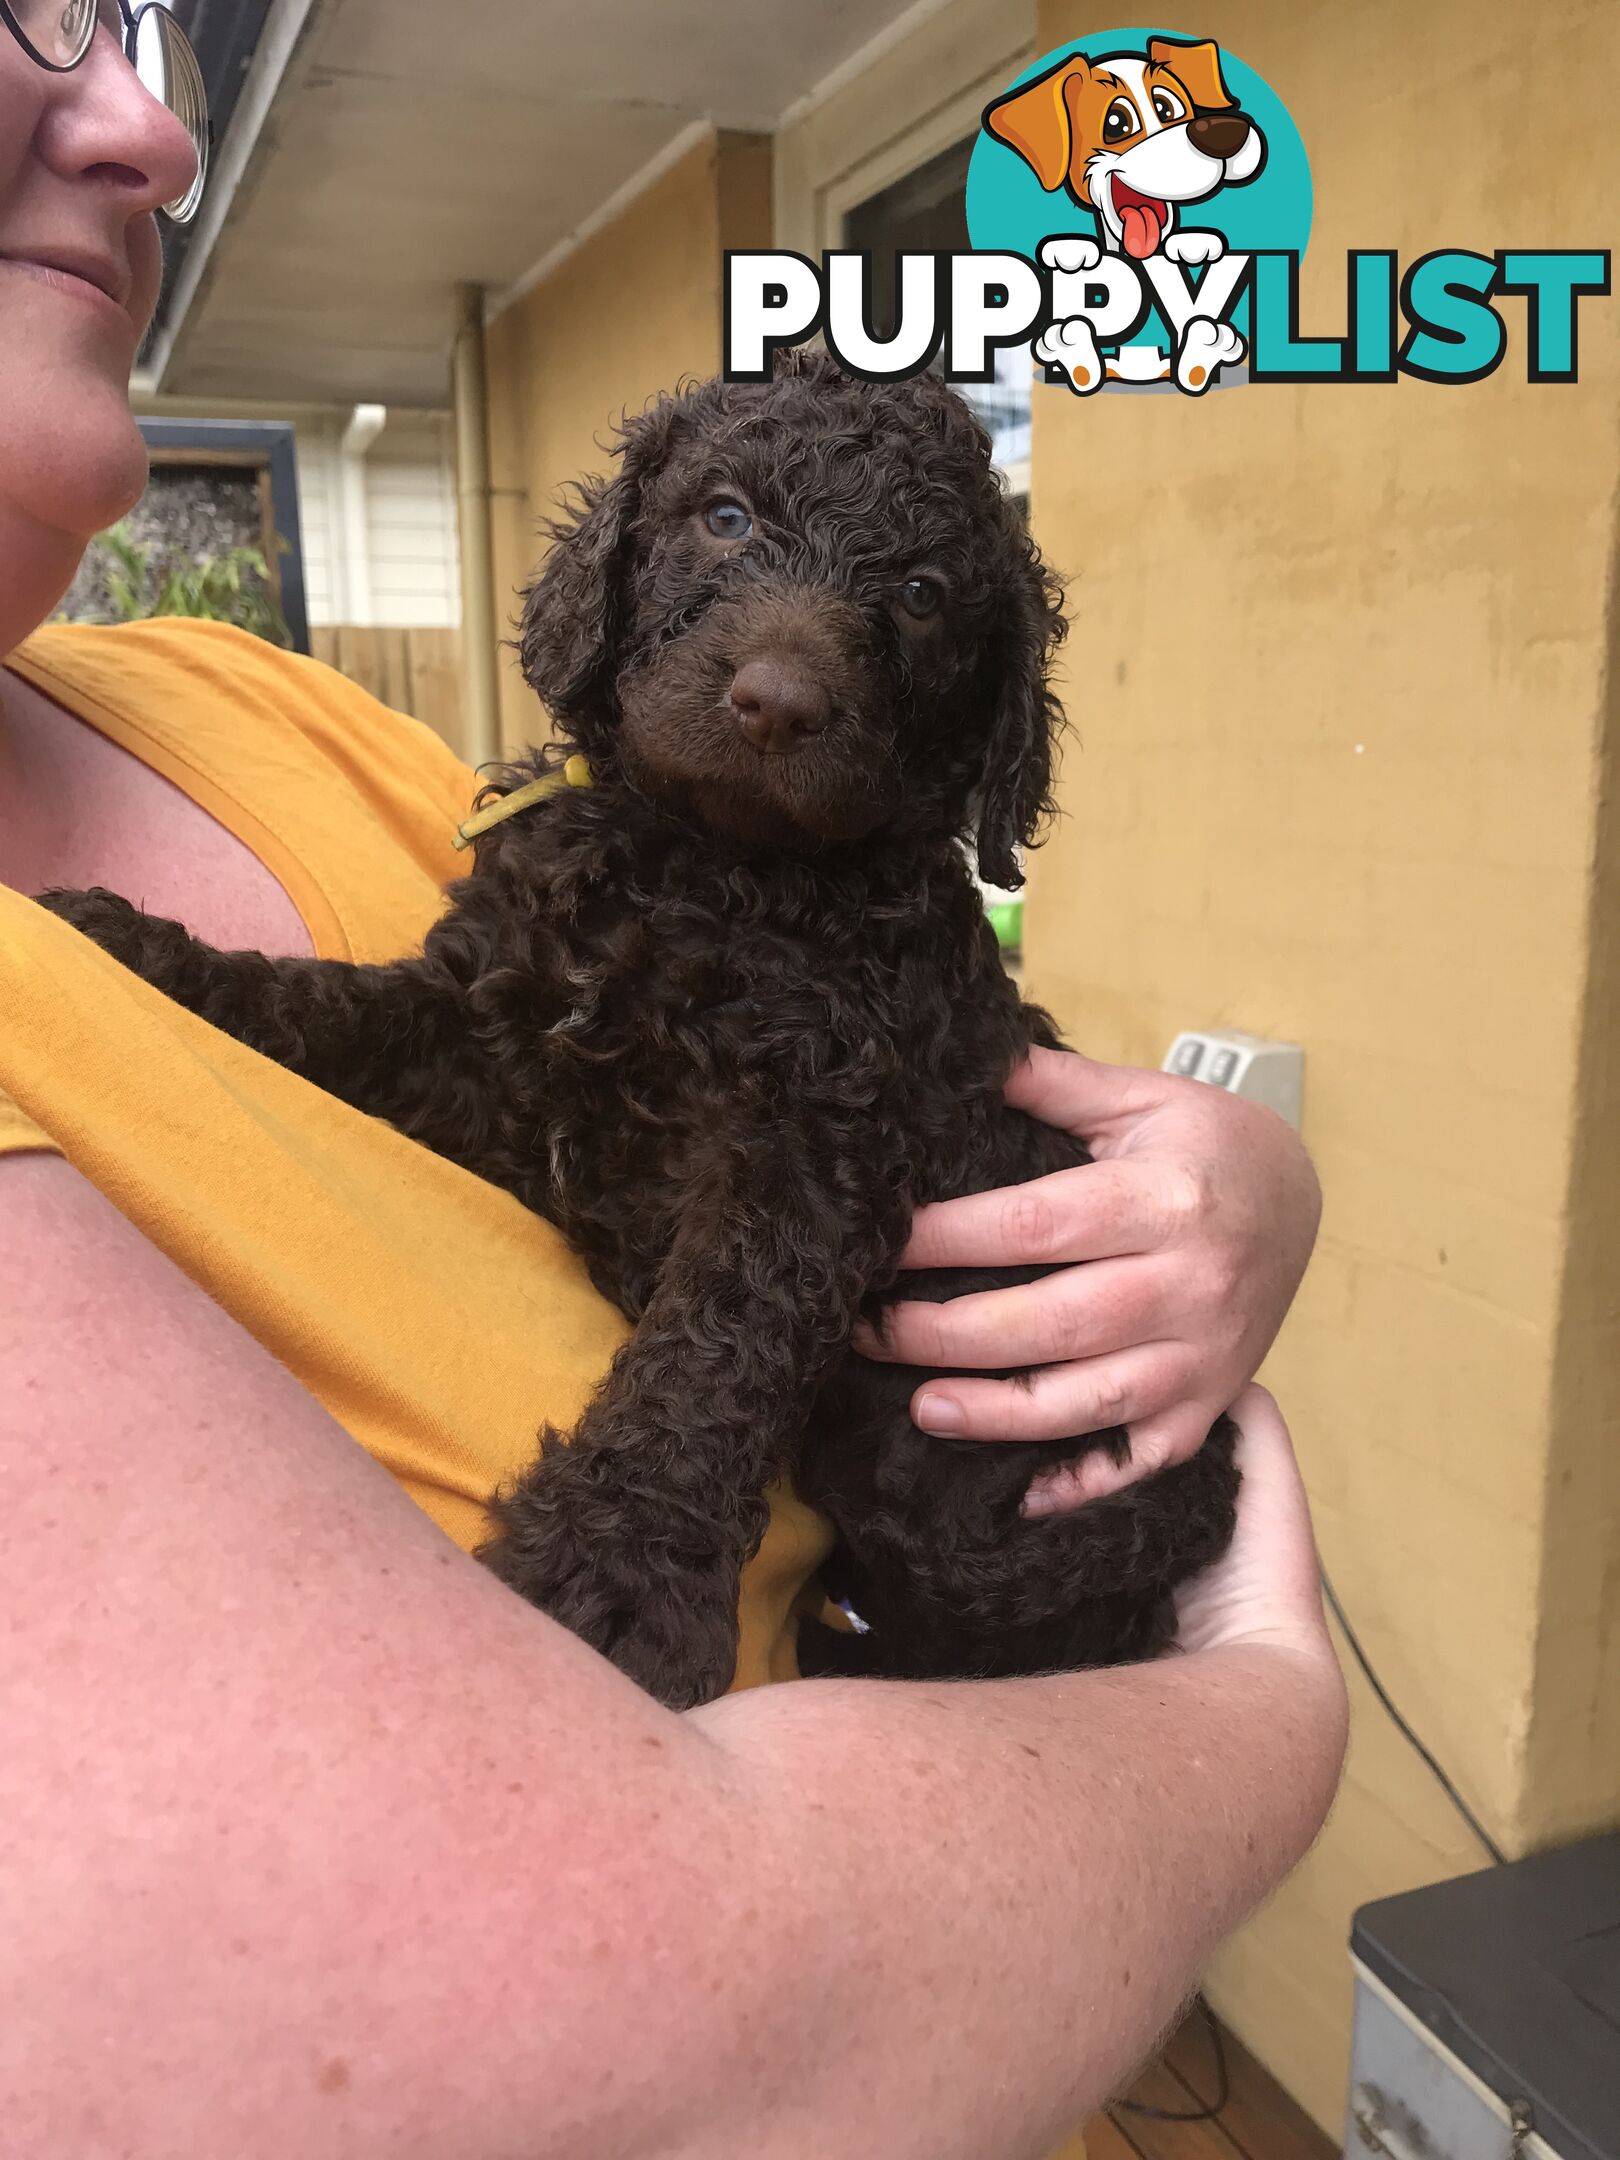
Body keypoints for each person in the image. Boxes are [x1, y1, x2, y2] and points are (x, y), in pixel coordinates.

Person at [0, 13, 1347, 2158]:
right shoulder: (571, 853)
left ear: (971, 745)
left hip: (1012, 1570)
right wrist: (1270, 1693)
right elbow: (469, 1049)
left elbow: (728, 1183)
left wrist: (1238, 1186)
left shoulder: (296, 729)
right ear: (616, 584)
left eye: (899, 615)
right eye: (724, 532)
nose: (790, 652)